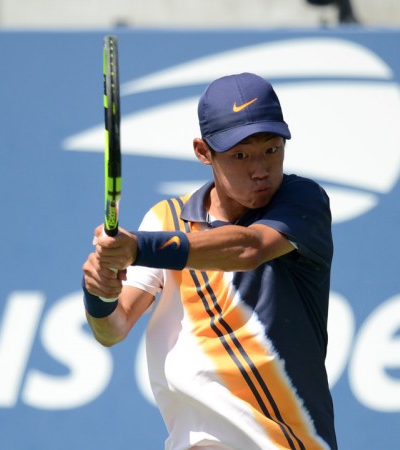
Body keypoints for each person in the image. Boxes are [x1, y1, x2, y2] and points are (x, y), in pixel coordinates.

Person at [82, 72, 337, 450]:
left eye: (271, 149)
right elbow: (112, 329)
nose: (260, 170)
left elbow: (248, 249)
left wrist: (138, 248)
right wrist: (99, 291)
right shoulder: (165, 220)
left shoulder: (303, 202)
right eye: (240, 155)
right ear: (203, 152)